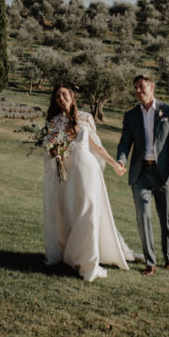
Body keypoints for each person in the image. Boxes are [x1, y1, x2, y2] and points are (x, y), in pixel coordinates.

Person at [42, 84, 135, 281]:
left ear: (72, 96)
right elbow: (49, 147)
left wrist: (114, 164)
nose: (61, 98)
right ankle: (69, 255)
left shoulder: (86, 117)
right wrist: (54, 153)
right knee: (68, 212)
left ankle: (88, 260)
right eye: (57, 96)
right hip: (66, 175)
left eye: (64, 94)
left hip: (86, 170)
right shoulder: (54, 121)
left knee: (88, 210)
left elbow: (97, 147)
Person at [116, 74, 169, 275]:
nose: (138, 91)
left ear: (152, 87)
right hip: (140, 173)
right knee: (143, 215)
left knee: (167, 217)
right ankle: (150, 262)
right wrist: (121, 160)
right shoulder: (130, 115)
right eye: (136, 87)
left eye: (142, 86)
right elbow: (124, 143)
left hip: (163, 173)